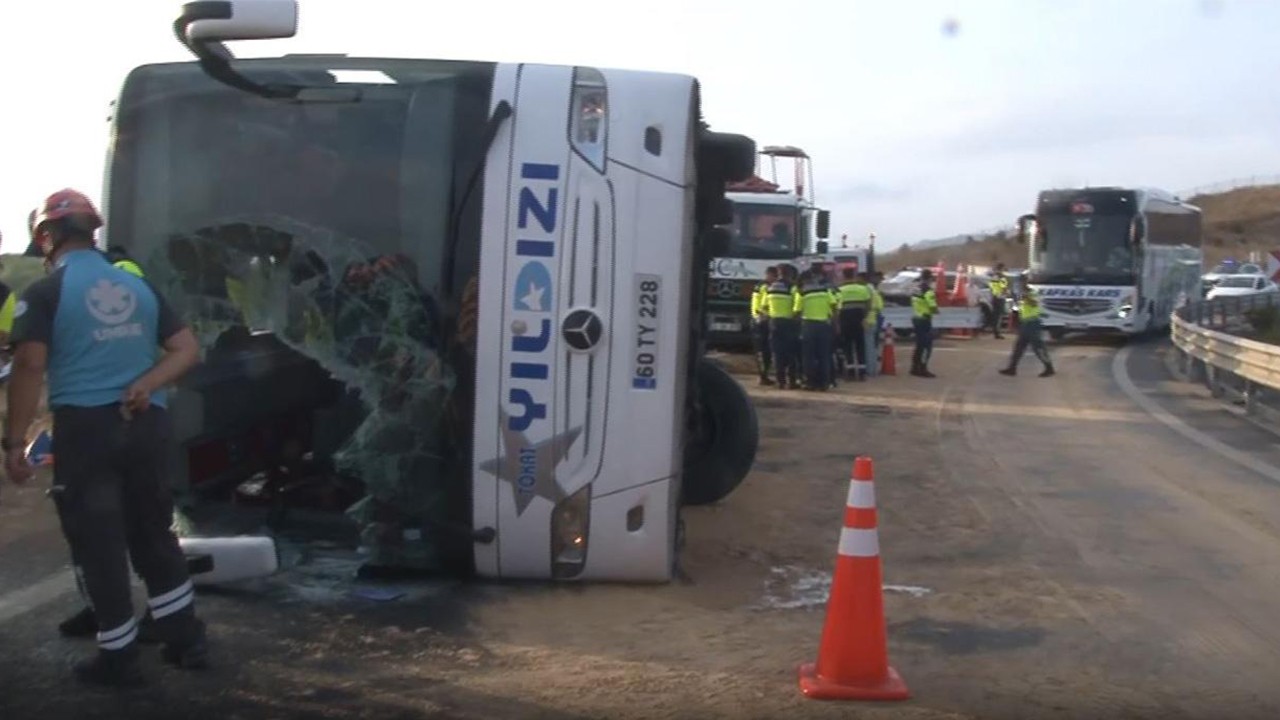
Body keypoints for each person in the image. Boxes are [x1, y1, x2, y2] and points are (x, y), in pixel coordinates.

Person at [3, 189, 208, 687]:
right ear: (92, 230)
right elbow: (186, 350)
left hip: (87, 430)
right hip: (146, 424)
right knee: (152, 532)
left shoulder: (46, 293)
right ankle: (184, 638)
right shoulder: (135, 285)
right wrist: (147, 384)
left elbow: (30, 365)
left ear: (47, 237)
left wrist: (13, 444)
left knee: (98, 541)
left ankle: (118, 655)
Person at [999, 279, 1055, 378]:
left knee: (1038, 347)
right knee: (1018, 347)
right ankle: (1012, 368)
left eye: (1020, 284)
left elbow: (1034, 304)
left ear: (1025, 284)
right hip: (1025, 323)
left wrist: (1027, 297)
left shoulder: (1033, 292)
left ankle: (1049, 367)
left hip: (1033, 323)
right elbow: (1019, 308)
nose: (1018, 287)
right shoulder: (1021, 295)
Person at [796, 269, 838, 390]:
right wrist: (834, 323)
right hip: (824, 324)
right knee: (824, 355)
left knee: (808, 356)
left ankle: (810, 382)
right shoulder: (825, 290)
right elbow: (834, 306)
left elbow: (797, 311)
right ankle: (824, 383)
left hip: (808, 325)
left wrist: (798, 324)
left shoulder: (802, 292)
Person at [764, 264, 801, 389]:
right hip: (788, 322)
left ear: (779, 273)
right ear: (790, 274)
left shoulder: (771, 287)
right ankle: (792, 381)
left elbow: (764, 306)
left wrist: (771, 315)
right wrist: (795, 317)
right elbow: (798, 306)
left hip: (774, 322)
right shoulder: (792, 287)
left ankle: (780, 381)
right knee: (791, 352)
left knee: (777, 353)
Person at [836, 268, 872, 380]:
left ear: (843, 275)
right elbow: (868, 305)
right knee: (860, 346)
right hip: (859, 320)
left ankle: (850, 373)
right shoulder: (863, 289)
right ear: (854, 275)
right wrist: (864, 317)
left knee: (847, 347)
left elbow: (836, 307)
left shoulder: (839, 290)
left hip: (844, 321)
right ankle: (862, 373)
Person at [750, 267, 777, 386]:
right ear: (771, 275)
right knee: (765, 350)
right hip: (763, 321)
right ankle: (763, 376)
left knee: (760, 350)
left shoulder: (758, 285)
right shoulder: (766, 287)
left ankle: (763, 375)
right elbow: (765, 305)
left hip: (756, 319)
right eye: (775, 277)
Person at [911, 269, 939, 378]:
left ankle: (914, 367)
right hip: (924, 319)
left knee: (919, 345)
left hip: (916, 317)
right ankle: (923, 368)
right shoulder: (928, 290)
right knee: (926, 346)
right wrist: (936, 311)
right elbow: (932, 306)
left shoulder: (915, 288)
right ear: (930, 278)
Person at [987, 264, 1009, 339]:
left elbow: (991, 287)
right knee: (998, 316)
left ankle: (995, 331)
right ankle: (997, 332)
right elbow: (1004, 287)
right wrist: (1005, 292)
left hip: (995, 297)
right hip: (999, 298)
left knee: (996, 316)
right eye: (1003, 268)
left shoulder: (994, 276)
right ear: (1001, 268)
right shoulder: (1001, 277)